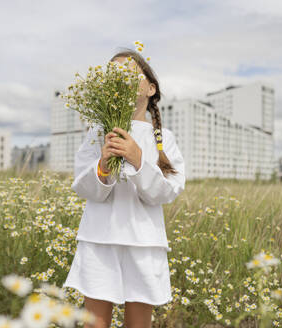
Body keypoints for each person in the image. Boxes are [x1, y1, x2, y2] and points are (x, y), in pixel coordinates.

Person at [62, 48, 185, 328]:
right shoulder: (98, 133)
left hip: (144, 241)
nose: (122, 80)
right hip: (99, 237)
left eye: (130, 74)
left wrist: (138, 158)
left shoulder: (164, 139)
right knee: (95, 322)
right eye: (113, 76)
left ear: (151, 88)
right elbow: (84, 187)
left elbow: (167, 191)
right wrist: (103, 164)